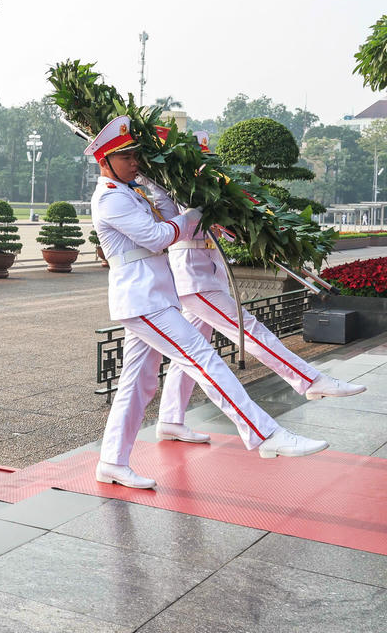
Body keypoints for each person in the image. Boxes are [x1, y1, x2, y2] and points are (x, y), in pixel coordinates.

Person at [88, 116, 328, 490]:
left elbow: (169, 218)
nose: (134, 162)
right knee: (203, 359)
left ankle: (112, 462)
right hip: (142, 300)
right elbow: (157, 236)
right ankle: (265, 434)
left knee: (137, 385)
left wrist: (167, 186)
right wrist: (194, 214)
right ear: (104, 161)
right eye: (126, 157)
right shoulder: (110, 198)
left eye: (136, 155)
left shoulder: (132, 191)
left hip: (153, 296)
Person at [151, 134, 365, 438]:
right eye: (196, 156)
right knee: (250, 330)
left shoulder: (203, 184)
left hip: (210, 273)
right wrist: (201, 212)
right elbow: (171, 229)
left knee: (189, 353)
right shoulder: (167, 185)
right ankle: (308, 380)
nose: (202, 162)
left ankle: (171, 419)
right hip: (194, 276)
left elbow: (224, 233)